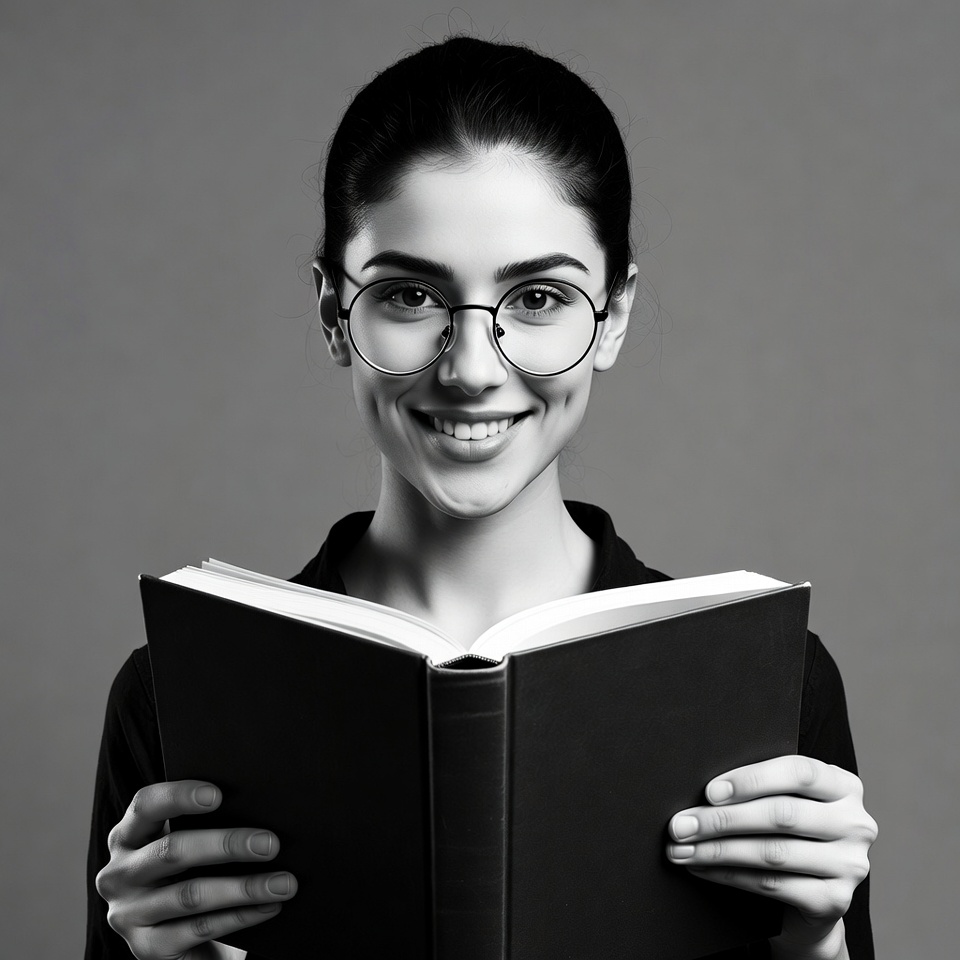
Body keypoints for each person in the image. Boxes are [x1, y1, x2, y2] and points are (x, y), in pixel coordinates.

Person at [87, 36, 877, 960]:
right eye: (411, 294)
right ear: (332, 315)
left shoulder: (767, 681)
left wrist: (817, 942)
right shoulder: (177, 694)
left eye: (540, 297)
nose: (470, 369)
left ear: (613, 315)